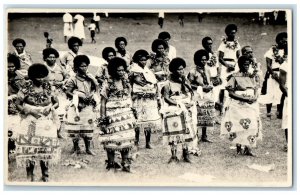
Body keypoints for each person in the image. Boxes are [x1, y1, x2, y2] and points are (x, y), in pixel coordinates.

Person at [14, 63, 60, 182]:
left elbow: (57, 102)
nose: (41, 79)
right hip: (30, 122)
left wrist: (50, 108)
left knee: (45, 149)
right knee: (30, 149)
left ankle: (45, 175)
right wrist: (29, 110)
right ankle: (30, 176)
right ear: (32, 76)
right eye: (38, 77)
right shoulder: (25, 87)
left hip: (46, 122)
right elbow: (17, 104)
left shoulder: (49, 87)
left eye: (43, 76)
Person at [98, 57, 136, 172]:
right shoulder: (107, 84)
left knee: (126, 139)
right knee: (111, 139)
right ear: (113, 70)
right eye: (119, 70)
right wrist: (103, 119)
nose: (121, 72)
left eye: (123, 70)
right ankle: (111, 164)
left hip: (125, 115)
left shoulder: (126, 82)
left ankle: (125, 164)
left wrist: (132, 110)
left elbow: (130, 97)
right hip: (112, 116)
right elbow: (103, 103)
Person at [220, 56, 262, 157]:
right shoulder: (234, 76)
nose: (246, 66)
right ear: (240, 65)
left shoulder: (252, 76)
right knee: (238, 126)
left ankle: (248, 148)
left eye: (248, 64)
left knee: (252, 125)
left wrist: (255, 97)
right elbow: (230, 93)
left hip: (250, 104)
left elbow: (256, 88)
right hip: (238, 105)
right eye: (244, 64)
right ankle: (238, 147)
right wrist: (244, 99)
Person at [161, 58, 199, 163]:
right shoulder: (168, 83)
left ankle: (185, 155)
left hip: (185, 107)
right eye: (179, 69)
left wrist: (189, 101)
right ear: (173, 70)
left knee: (187, 131)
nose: (181, 71)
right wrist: (178, 104)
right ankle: (173, 156)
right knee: (174, 132)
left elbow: (190, 92)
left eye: (182, 69)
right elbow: (166, 97)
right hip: (174, 108)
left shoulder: (185, 80)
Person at [64, 55, 99, 156]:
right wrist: (78, 96)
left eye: (86, 66)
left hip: (88, 106)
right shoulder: (73, 79)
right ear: (77, 67)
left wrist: (93, 82)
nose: (84, 68)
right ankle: (76, 148)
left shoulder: (89, 77)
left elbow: (95, 89)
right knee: (76, 128)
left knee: (88, 126)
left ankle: (88, 148)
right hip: (77, 107)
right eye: (82, 66)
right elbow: (67, 92)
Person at [129, 50, 161, 149]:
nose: (143, 62)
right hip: (138, 98)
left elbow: (154, 83)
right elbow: (132, 84)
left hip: (148, 99)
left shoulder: (148, 71)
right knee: (138, 120)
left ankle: (148, 142)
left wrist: (153, 91)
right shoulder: (133, 70)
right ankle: (136, 142)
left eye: (145, 60)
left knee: (148, 120)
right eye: (141, 60)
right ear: (137, 60)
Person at [187, 49, 214, 143]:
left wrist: (210, 86)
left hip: (207, 95)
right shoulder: (193, 72)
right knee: (197, 115)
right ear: (197, 60)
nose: (204, 61)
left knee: (206, 114)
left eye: (205, 59)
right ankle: (196, 135)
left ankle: (204, 135)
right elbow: (189, 84)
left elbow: (209, 81)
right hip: (197, 95)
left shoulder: (207, 70)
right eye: (202, 60)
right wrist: (201, 87)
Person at [43, 48, 69, 139]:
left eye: (54, 57)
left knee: (60, 112)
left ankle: (58, 132)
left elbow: (67, 77)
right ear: (45, 58)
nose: (52, 59)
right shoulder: (43, 67)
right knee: (49, 111)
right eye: (50, 57)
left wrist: (62, 83)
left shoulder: (60, 67)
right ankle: (49, 131)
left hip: (59, 92)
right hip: (46, 92)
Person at [260, 32, 287, 119]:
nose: (285, 43)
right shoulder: (271, 51)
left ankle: (279, 111)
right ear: (278, 41)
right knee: (270, 92)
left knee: (281, 92)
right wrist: (272, 74)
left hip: (283, 74)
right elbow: (268, 65)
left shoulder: (288, 51)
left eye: (286, 41)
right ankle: (268, 112)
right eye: (283, 41)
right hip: (273, 74)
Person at [218, 24, 241, 114]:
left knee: (233, 85)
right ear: (227, 33)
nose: (233, 35)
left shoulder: (237, 43)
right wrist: (227, 65)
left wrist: (235, 65)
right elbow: (220, 58)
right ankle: (220, 106)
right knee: (223, 87)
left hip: (234, 65)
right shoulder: (223, 44)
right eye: (231, 33)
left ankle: (232, 105)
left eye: (234, 33)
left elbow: (239, 56)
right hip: (225, 66)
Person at [7, 54, 26, 157]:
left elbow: (24, 91)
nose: (10, 68)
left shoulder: (20, 77)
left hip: (16, 103)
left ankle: (14, 146)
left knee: (16, 127)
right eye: (8, 66)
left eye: (12, 66)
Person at [202, 37, 222, 107]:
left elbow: (218, 67)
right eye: (208, 44)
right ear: (204, 45)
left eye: (211, 44)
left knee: (216, 96)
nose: (210, 46)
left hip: (215, 78)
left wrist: (218, 77)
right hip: (207, 78)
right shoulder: (202, 55)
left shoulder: (214, 55)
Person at [279, 57, 288, 152]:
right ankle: (289, 143)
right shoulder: (284, 65)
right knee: (288, 120)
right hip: (290, 95)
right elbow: (281, 85)